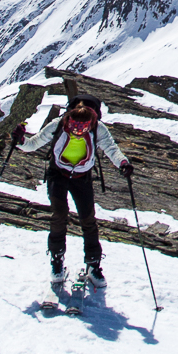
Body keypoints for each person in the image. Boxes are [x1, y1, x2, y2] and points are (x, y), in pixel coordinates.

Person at [18, 93, 132, 283]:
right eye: (74, 127)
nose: (78, 131)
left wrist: (123, 162)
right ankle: (71, 262)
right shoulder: (59, 124)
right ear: (69, 119)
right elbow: (33, 143)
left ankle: (86, 264)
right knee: (64, 217)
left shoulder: (96, 128)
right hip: (61, 175)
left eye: (82, 128)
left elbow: (111, 148)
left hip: (78, 176)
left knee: (83, 219)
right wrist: (21, 141)